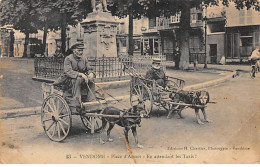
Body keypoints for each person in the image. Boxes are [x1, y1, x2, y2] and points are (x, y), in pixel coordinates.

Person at [53, 43, 96, 113]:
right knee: (78, 79)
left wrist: (91, 73)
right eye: (79, 50)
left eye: (82, 50)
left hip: (80, 80)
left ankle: (91, 99)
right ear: (73, 51)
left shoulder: (84, 59)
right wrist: (80, 74)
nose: (81, 52)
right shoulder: (68, 59)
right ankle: (77, 100)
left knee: (91, 80)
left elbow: (89, 69)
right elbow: (68, 71)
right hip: (68, 81)